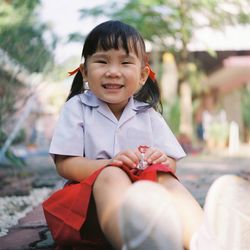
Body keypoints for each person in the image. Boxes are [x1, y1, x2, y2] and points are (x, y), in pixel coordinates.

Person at [42, 20, 249, 250]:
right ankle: (133, 240)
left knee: (163, 176)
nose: (113, 71)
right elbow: (65, 164)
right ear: (85, 72)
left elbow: (170, 161)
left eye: (125, 62)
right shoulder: (77, 107)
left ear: (142, 76)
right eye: (102, 61)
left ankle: (204, 239)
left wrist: (163, 160)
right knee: (112, 175)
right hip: (90, 207)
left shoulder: (147, 113)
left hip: (150, 201)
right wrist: (110, 164)